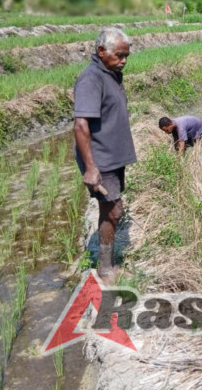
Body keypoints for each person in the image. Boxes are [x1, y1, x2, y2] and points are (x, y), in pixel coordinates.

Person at [73, 28, 136, 284]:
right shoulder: (91, 78)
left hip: (113, 156)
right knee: (114, 210)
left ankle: (107, 265)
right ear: (101, 51)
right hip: (101, 159)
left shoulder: (111, 74)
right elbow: (80, 125)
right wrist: (90, 168)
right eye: (119, 55)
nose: (124, 60)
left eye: (126, 56)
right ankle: (106, 270)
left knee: (111, 209)